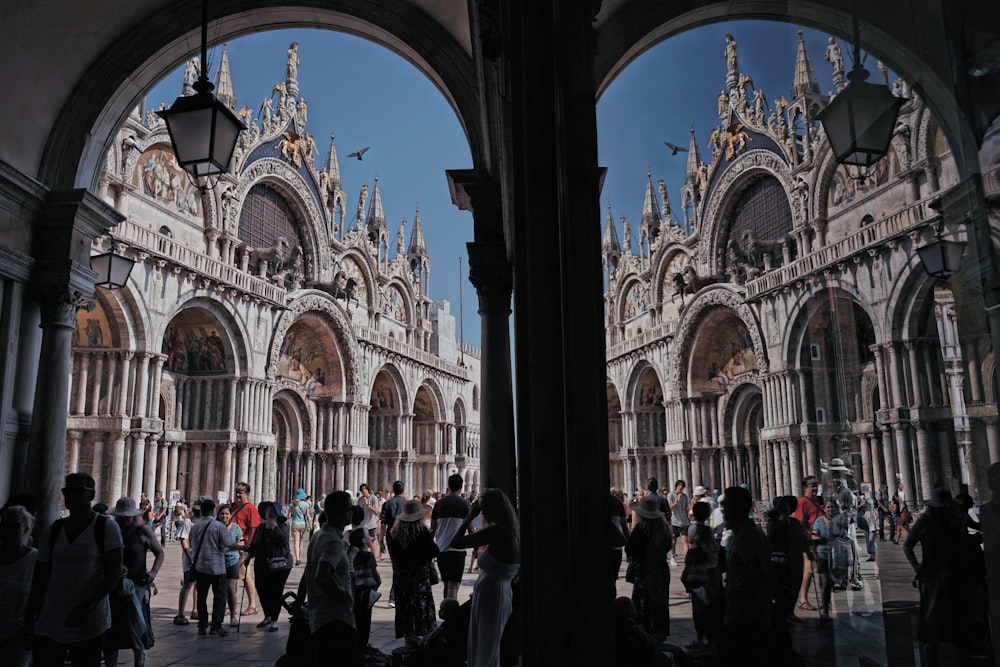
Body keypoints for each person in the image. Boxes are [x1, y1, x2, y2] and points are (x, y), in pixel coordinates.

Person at [28, 472, 124, 667]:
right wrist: (30, 615)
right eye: (67, 491)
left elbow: (114, 572)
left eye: (78, 491)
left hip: (90, 619)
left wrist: (90, 605)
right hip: (51, 617)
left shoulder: (106, 528)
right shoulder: (54, 530)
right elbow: (41, 574)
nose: (71, 496)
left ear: (91, 495)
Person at [450, 488, 520, 667]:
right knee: (487, 644)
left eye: (485, 508)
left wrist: (469, 515)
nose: (483, 513)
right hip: (495, 593)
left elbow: (456, 542)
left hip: (492, 594)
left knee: (486, 647)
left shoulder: (497, 531)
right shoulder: (511, 530)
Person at [903, 487, 968, 666]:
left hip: (954, 575)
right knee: (933, 619)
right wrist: (918, 568)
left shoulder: (954, 521)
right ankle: (933, 657)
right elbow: (908, 545)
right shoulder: (926, 522)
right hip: (932, 576)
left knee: (957, 618)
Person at [298, 490, 357, 667]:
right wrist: (343, 595)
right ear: (344, 513)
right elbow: (322, 575)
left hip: (320, 615)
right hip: (335, 618)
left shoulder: (319, 536)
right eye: (349, 508)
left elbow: (307, 573)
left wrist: (301, 600)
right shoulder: (332, 541)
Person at [104, 497, 163, 667]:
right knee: (111, 628)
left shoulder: (142, 531)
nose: (122, 519)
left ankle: (139, 659)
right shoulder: (113, 530)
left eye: (125, 517)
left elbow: (159, 552)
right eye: (120, 516)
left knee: (136, 625)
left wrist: (153, 572)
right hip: (114, 585)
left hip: (137, 584)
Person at [719, 485, 772, 665]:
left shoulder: (747, 536)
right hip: (749, 613)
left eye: (726, 508)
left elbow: (756, 573)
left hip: (747, 617)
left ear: (737, 509)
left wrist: (732, 594)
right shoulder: (745, 533)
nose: (723, 513)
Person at [387, 499, 439, 639]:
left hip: (402, 578)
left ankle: (404, 638)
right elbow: (434, 551)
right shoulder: (422, 532)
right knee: (420, 611)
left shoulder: (394, 533)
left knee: (404, 611)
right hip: (419, 579)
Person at [624, 495, 671, 641]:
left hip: (644, 571)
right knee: (660, 601)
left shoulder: (641, 530)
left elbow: (630, 549)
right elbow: (667, 547)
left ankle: (646, 631)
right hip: (661, 569)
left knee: (644, 602)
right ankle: (660, 631)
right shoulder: (664, 530)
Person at [240, 501, 292, 633]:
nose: (268, 515)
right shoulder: (260, 528)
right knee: (262, 591)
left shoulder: (283, 527)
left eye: (271, 512)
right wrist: (248, 557)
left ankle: (274, 620)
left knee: (276, 592)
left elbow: (283, 541)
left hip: (280, 566)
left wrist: (274, 526)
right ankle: (267, 615)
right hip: (262, 564)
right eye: (267, 512)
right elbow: (254, 545)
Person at [765, 496, 805, 662]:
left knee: (790, 586)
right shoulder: (773, 523)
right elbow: (772, 538)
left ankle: (788, 611)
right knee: (780, 588)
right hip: (777, 560)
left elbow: (798, 539)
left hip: (790, 560)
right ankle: (781, 614)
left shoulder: (792, 523)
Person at [188, 497, 235, 637]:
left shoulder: (195, 526)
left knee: (201, 597)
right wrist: (242, 547)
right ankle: (216, 625)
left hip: (200, 567)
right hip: (217, 567)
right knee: (219, 596)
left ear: (201, 511)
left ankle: (202, 625)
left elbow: (192, 544)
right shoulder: (218, 526)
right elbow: (229, 544)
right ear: (214, 511)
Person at [681, 500, 721, 656]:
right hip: (710, 571)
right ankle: (706, 640)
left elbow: (694, 553)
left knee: (700, 608)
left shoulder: (694, 529)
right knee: (707, 607)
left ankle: (702, 640)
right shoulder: (708, 531)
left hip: (698, 573)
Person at [0, 505, 36, 667]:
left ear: (26, 528)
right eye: (4, 525)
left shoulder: (35, 559)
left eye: (15, 525)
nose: (8, 530)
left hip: (19, 636)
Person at [431, 474, 472, 600]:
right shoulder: (465, 504)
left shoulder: (439, 504)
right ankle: (451, 614)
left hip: (442, 549)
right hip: (457, 551)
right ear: (461, 486)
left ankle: (446, 611)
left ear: (448, 486)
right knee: (454, 586)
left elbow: (432, 529)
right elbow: (471, 529)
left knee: (446, 584)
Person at [792, 475, 822, 611]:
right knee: (809, 572)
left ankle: (823, 599)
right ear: (805, 488)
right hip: (810, 543)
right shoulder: (803, 502)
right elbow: (799, 522)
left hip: (819, 542)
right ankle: (803, 599)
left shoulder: (815, 502)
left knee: (817, 571)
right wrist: (808, 537)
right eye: (812, 486)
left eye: (816, 485)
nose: (815, 488)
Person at [231, 482, 261, 617]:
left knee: (246, 576)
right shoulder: (232, 507)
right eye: (237, 492)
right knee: (233, 578)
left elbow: (253, 528)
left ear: (246, 494)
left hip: (243, 548)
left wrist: (247, 546)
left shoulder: (250, 509)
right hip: (231, 547)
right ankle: (231, 605)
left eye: (240, 493)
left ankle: (252, 605)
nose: (238, 495)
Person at [349, 527, 381, 652]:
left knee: (359, 617)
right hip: (368, 588)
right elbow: (374, 572)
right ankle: (363, 643)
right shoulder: (368, 555)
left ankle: (359, 643)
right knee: (366, 618)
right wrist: (378, 583)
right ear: (363, 540)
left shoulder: (356, 556)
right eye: (368, 535)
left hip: (358, 589)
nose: (370, 537)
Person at [380, 480, 408, 607]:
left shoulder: (387, 503)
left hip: (390, 537)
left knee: (396, 566)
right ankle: (395, 596)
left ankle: (394, 597)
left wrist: (380, 541)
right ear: (403, 490)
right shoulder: (407, 504)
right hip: (404, 537)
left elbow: (383, 524)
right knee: (402, 567)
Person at [217, 504, 243, 627]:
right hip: (218, 561)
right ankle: (219, 615)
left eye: (227, 513)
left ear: (231, 515)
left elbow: (240, 541)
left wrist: (230, 547)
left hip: (232, 560)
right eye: (222, 513)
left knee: (231, 589)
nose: (224, 516)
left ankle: (233, 615)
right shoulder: (216, 527)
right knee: (219, 589)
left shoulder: (236, 528)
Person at [812, 498, 837, 621]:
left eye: (832, 507)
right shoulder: (819, 521)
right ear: (824, 508)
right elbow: (814, 535)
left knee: (832, 582)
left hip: (836, 555)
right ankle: (825, 610)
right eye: (828, 507)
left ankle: (827, 601)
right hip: (822, 554)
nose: (830, 509)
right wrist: (819, 539)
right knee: (825, 581)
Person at [173, 501, 197, 625]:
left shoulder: (207, 521)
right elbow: (184, 540)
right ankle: (180, 613)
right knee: (188, 584)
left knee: (198, 585)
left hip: (201, 558)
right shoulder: (188, 522)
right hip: (190, 558)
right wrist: (189, 556)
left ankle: (195, 609)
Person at [666, 480, 690, 566]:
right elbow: (669, 507)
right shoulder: (671, 495)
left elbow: (686, 508)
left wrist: (688, 518)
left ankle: (688, 558)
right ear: (676, 487)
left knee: (685, 540)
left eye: (682, 488)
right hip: (674, 521)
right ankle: (672, 557)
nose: (681, 489)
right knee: (673, 540)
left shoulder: (685, 496)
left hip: (684, 521)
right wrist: (677, 501)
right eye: (680, 487)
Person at [288, 489, 312, 567]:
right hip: (303, 524)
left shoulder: (292, 504)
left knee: (296, 542)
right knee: (301, 542)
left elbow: (288, 516)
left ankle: (297, 558)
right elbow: (308, 516)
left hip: (295, 524)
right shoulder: (306, 504)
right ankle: (300, 558)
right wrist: (310, 525)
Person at [358, 484, 380, 558]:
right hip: (362, 525)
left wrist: (367, 504)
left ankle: (372, 559)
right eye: (362, 489)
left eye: (365, 489)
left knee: (372, 544)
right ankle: (365, 560)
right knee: (363, 544)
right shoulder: (360, 500)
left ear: (368, 490)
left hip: (371, 525)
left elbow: (376, 512)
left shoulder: (373, 498)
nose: (363, 491)